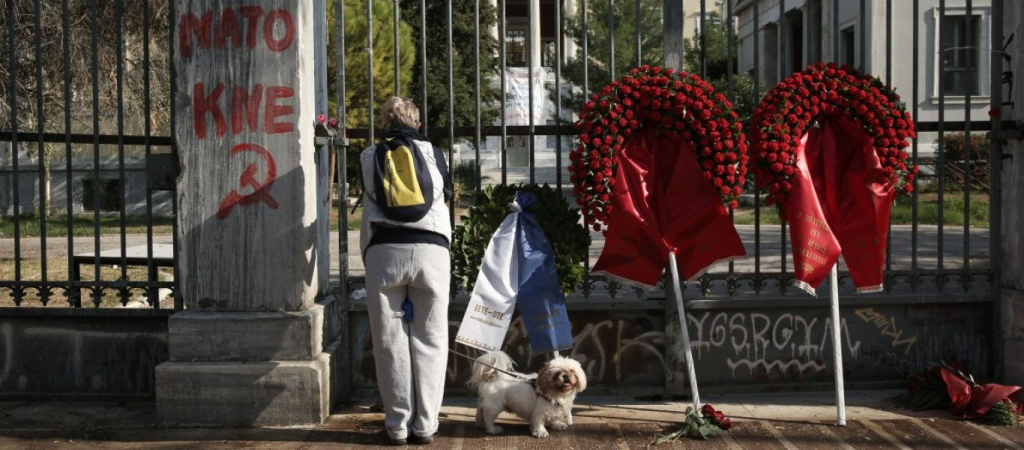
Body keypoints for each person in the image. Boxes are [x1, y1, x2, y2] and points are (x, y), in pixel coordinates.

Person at [359, 96, 453, 445]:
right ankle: (425, 426)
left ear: (384, 125)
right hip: (431, 252)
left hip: (384, 252)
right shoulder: (436, 154)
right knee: (431, 339)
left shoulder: (369, 156)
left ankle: (397, 426)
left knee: (390, 341)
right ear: (418, 124)